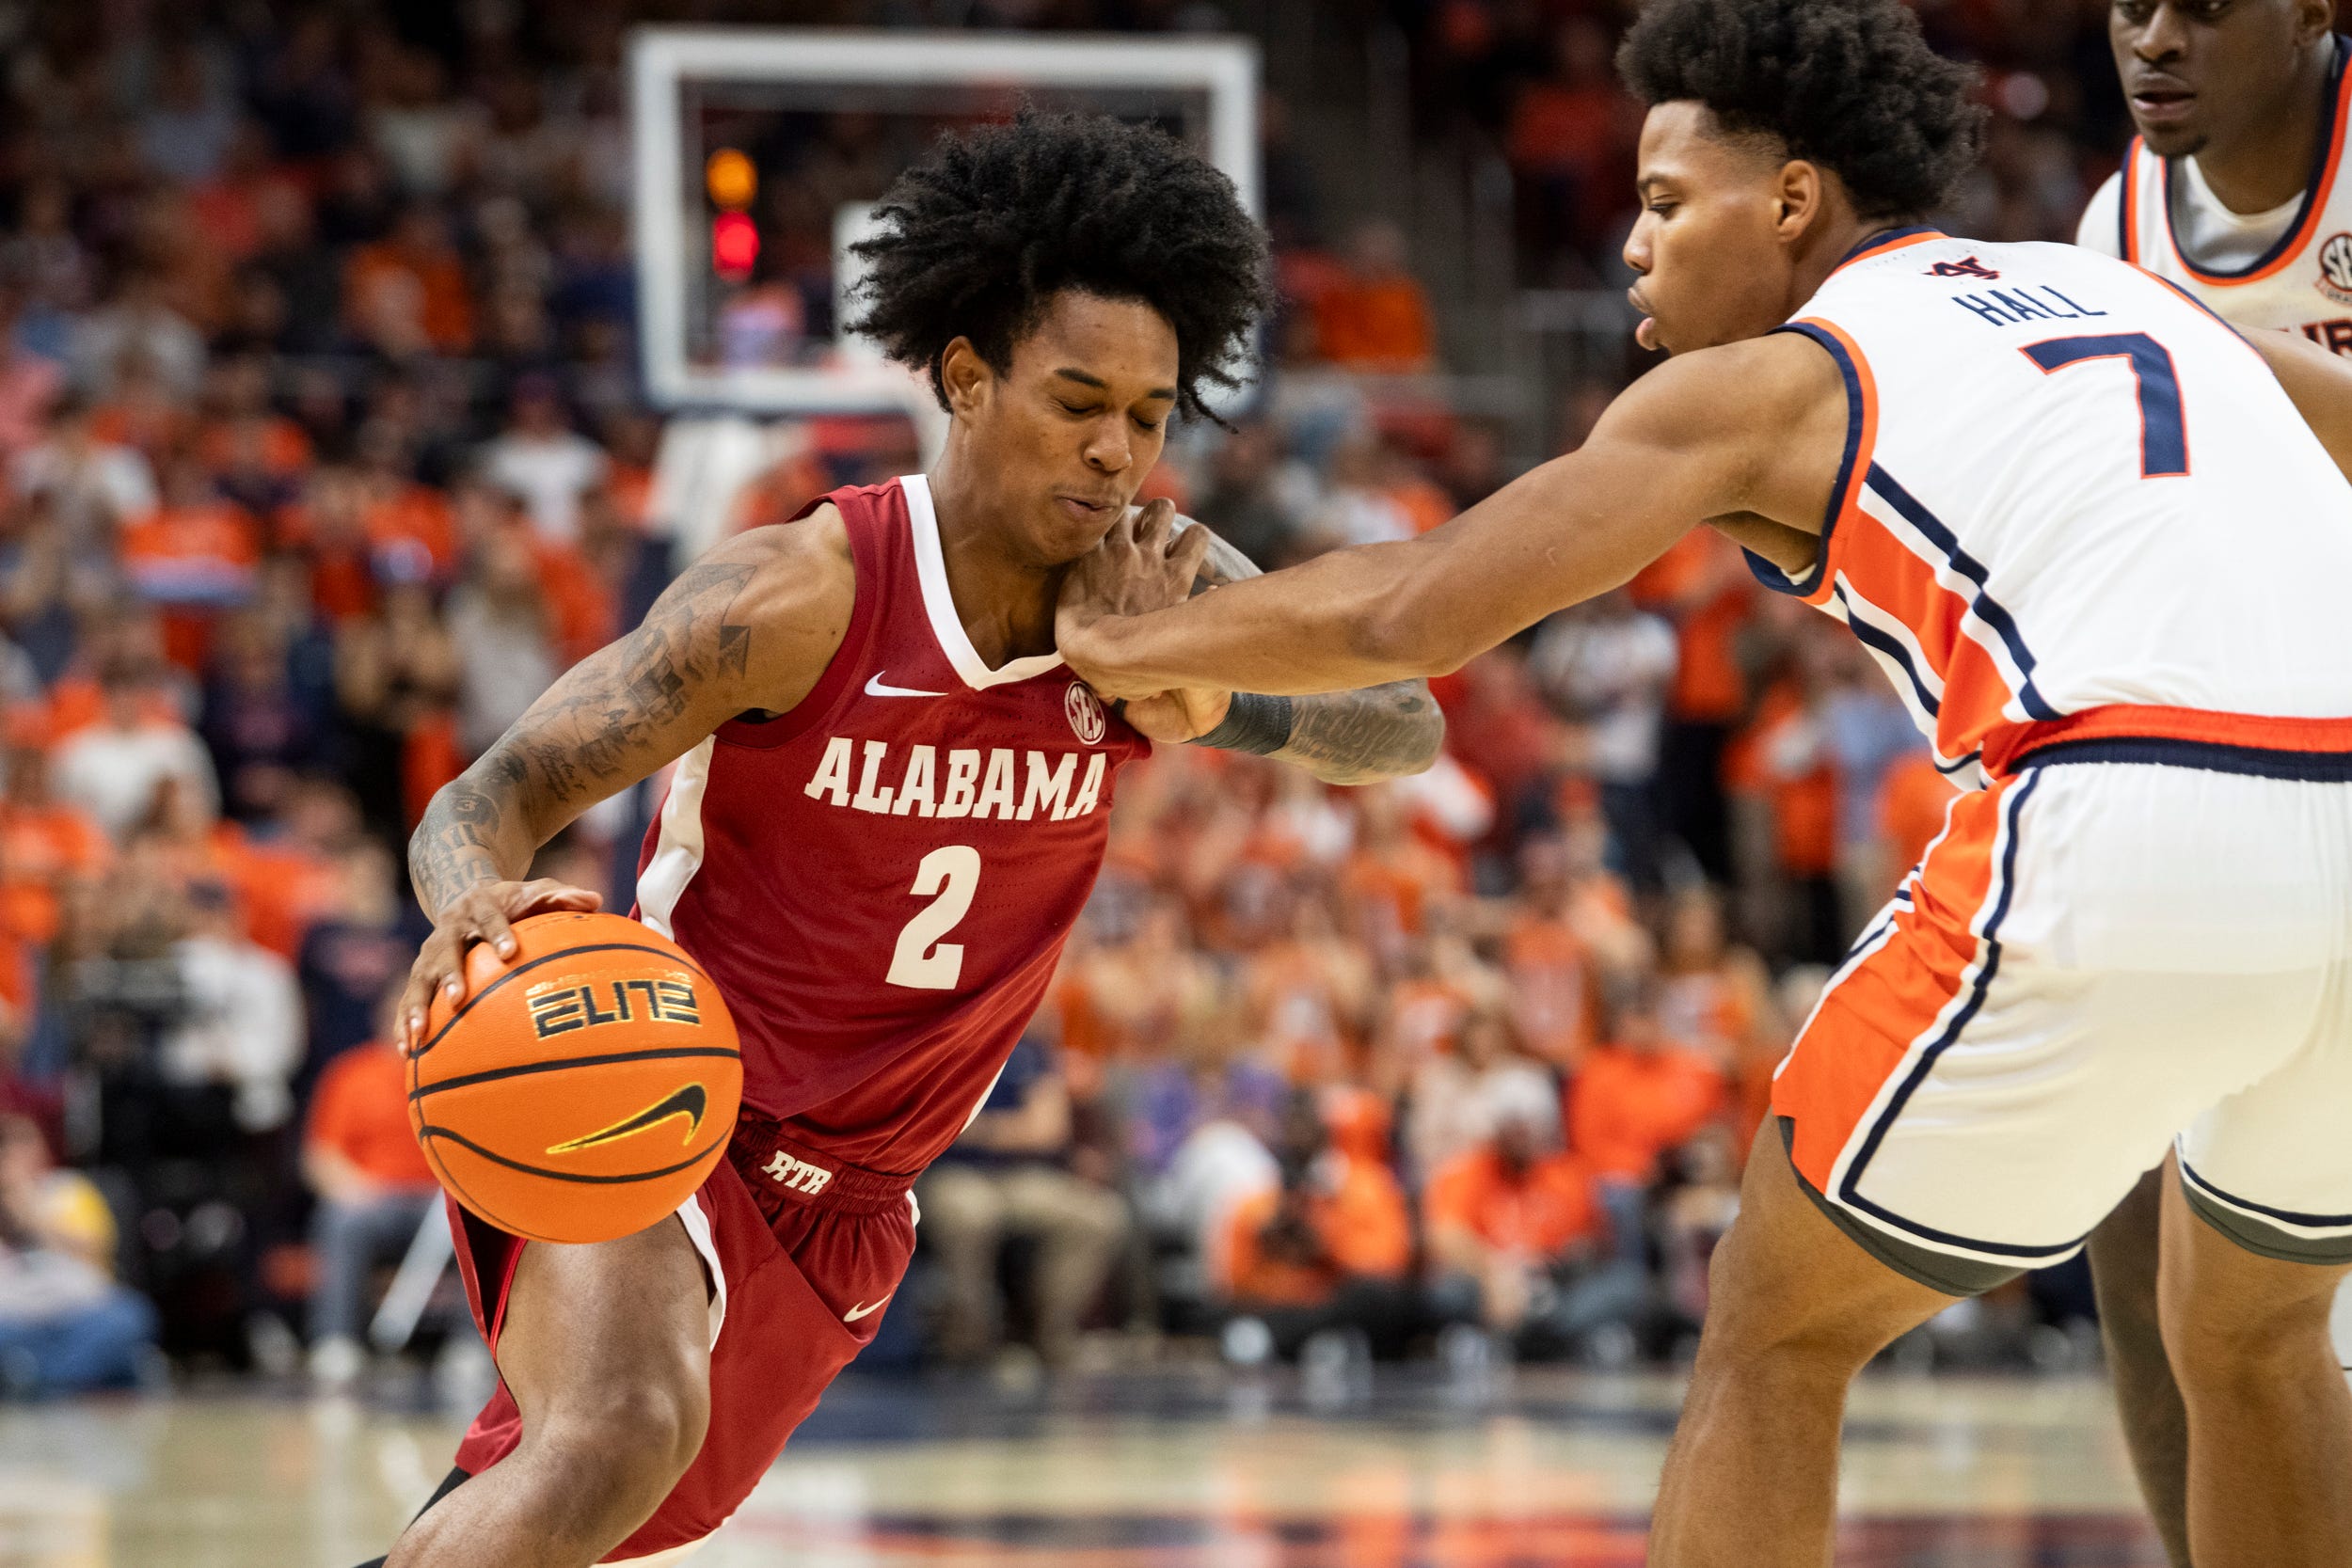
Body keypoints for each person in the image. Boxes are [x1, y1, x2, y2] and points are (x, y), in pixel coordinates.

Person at [1057, 3, 2352, 1561]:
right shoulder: (2119, 289)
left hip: (2126, 800)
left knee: (1774, 1324)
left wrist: (1144, 640)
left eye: (1668, 205)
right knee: (2256, 1336)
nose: (1632, 249)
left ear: (1793, 204)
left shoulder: (1776, 380)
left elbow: (1423, 607)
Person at [371, 112, 1444, 1568]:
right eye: (1079, 401)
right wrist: (469, 902)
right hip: (663, 1094)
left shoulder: (1158, 587)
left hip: (860, 1199)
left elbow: (1403, 723)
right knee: (613, 1432)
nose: (1119, 450)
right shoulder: (797, 593)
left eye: (1150, 411)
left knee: (569, 1505)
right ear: (964, 375)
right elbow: (483, 796)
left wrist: (1213, 695)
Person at [2076, 5, 2347, 1560]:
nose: (2157, 40)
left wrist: (2224, 371)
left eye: (2204, 2)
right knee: (2127, 1187)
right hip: (2262, 756)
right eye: (2129, 7)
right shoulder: (2113, 231)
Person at [915, 1031, 1128, 1369]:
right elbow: (929, 1122)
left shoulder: (1029, 1046)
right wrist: (1013, 1129)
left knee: (1099, 1216)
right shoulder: (943, 1035)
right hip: (952, 1172)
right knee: (971, 1215)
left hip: (1023, 1177)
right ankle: (971, 1341)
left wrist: (980, 1130)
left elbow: (1046, 1130)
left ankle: (1049, 1332)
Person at [304, 990, 442, 1386]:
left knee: (486, 1223)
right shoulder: (351, 1073)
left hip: (442, 1201)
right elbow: (321, 1158)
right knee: (344, 1220)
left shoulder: (455, 1068)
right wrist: (355, 1190)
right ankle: (336, 1340)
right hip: (375, 1198)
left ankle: (478, 1348)